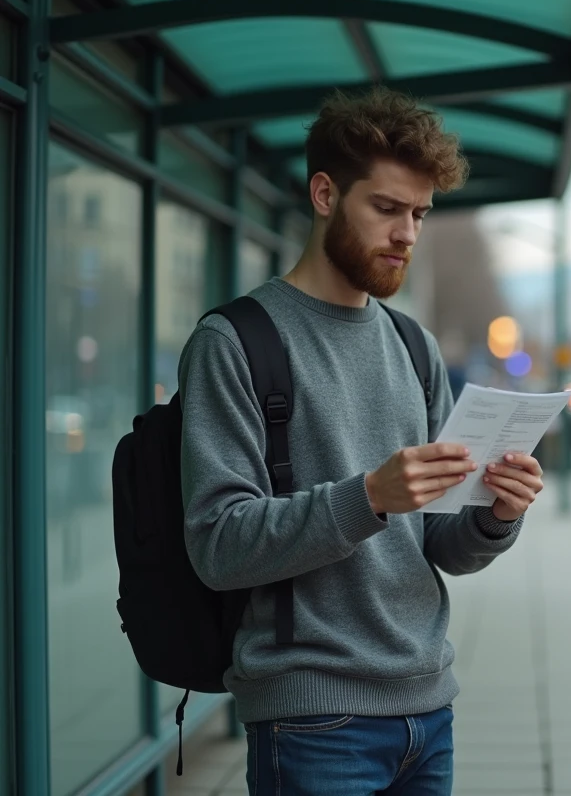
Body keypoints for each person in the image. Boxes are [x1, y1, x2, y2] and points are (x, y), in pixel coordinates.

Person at [178, 87, 543, 795]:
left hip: (428, 710)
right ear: (324, 194)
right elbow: (218, 545)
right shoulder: (235, 341)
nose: (407, 233)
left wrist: (498, 514)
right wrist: (369, 496)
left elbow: (442, 546)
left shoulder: (414, 345)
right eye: (386, 208)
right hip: (311, 721)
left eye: (419, 214)